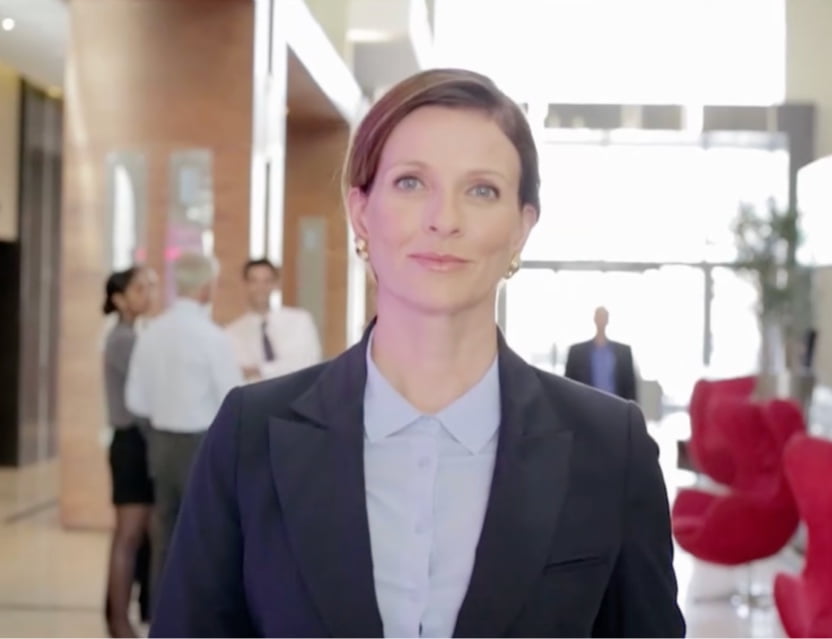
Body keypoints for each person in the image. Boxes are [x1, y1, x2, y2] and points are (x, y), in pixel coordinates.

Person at [150, 69, 685, 638]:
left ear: (521, 228)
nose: (444, 219)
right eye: (410, 183)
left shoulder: (608, 446)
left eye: (481, 190)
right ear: (360, 211)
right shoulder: (251, 434)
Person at [125, 252, 243, 607]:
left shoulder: (152, 333)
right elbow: (232, 398)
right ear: (207, 287)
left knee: (165, 532)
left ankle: (163, 615)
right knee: (205, 533)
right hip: (201, 444)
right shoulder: (212, 337)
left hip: (160, 443)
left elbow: (136, 401)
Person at [101, 266, 154, 638]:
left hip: (141, 442)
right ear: (119, 298)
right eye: (138, 288)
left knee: (141, 534)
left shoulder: (132, 335)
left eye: (148, 287)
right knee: (129, 534)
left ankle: (131, 613)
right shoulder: (123, 340)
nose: (146, 293)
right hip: (131, 444)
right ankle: (118, 621)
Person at [225, 258, 322, 382]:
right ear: (245, 285)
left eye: (267, 281)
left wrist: (259, 370)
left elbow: (308, 365)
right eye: (254, 281)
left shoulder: (300, 321)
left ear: (276, 284)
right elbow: (238, 377)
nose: (261, 287)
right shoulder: (232, 333)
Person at [565, 306, 638, 401]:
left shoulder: (623, 352)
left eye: (603, 316)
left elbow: (630, 387)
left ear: (607, 320)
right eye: (599, 316)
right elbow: (568, 386)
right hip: (586, 408)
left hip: (616, 407)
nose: (601, 320)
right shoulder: (577, 352)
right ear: (594, 319)